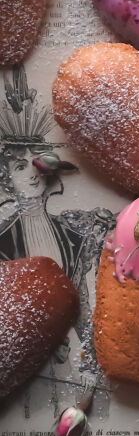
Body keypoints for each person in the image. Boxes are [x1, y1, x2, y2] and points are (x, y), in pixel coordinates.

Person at [0, 68, 113, 416]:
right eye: (20, 167)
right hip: (24, 376)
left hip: (71, 367)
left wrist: (92, 363)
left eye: (35, 163)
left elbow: (82, 306)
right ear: (6, 179)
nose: (32, 174)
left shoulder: (73, 235)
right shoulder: (3, 241)